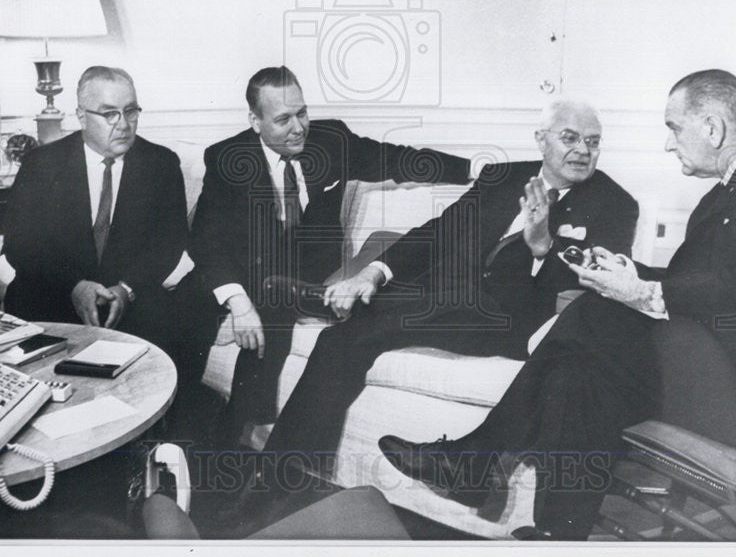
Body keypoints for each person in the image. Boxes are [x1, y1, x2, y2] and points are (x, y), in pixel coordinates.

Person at [378, 69, 736, 539]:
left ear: (712, 128)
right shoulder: (725, 193)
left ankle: (475, 458)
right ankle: (557, 536)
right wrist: (627, 272)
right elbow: (703, 282)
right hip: (712, 367)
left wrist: (644, 292)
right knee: (576, 375)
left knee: (594, 312)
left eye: (673, 128)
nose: (669, 144)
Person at [258, 100, 638, 475]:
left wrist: (544, 248)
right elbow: (438, 232)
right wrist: (371, 272)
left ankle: (331, 305)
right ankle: (286, 477)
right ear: (541, 139)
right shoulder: (503, 176)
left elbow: (596, 289)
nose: (582, 151)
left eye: (593, 142)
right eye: (570, 138)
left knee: (375, 323)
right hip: (446, 300)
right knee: (340, 340)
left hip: (505, 320)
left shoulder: (616, 204)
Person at [189, 66, 474, 449]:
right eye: (283, 119)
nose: (298, 128)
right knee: (206, 306)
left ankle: (229, 440)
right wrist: (238, 303)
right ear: (254, 121)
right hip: (249, 270)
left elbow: (397, 159)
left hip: (311, 271)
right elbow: (207, 241)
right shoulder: (227, 158)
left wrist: (475, 170)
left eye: (302, 113)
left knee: (278, 299)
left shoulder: (330, 139)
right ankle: (217, 434)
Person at [2, 66, 196, 375]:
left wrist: (126, 288)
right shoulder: (42, 164)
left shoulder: (161, 163)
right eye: (109, 114)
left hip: (129, 302)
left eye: (131, 111)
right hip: (53, 295)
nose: (123, 124)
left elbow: (170, 243)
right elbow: (19, 246)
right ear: (81, 117)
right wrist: (74, 286)